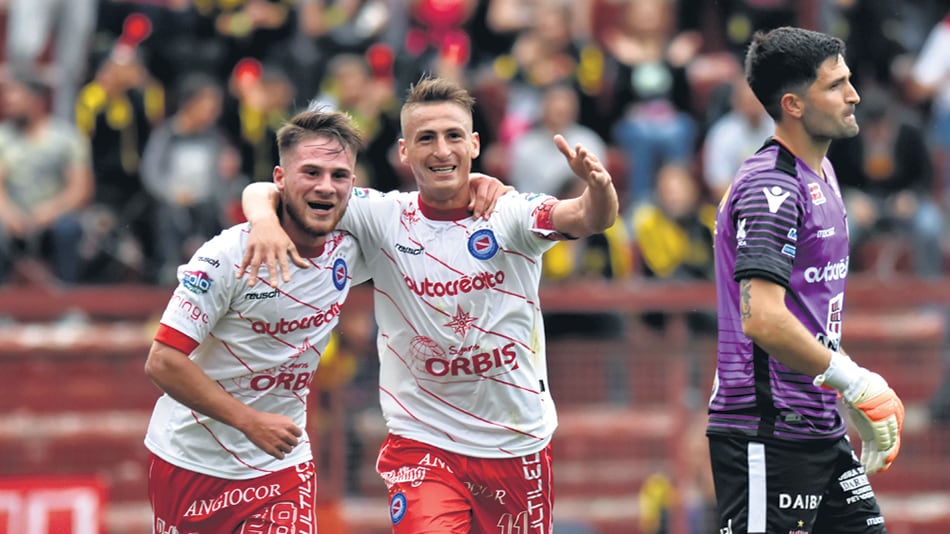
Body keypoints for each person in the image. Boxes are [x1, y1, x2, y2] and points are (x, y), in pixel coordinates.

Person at [239, 76, 619, 533]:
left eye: (453, 136)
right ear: (404, 151)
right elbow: (270, 190)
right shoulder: (380, 216)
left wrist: (598, 187)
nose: (442, 150)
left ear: (474, 144)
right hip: (423, 442)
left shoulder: (509, 212)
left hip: (515, 442)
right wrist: (262, 220)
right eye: (426, 138)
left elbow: (588, 217)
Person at [143, 107, 508, 532]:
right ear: (281, 179)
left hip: (282, 468)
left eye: (339, 176)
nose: (325, 186)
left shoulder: (354, 246)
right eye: (311, 172)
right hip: (189, 460)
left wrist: (476, 185)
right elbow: (162, 361)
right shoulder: (227, 256)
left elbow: (429, 212)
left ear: (353, 184)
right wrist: (249, 420)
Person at [708, 26, 905, 533]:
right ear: (793, 104)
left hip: (817, 426)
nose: (854, 94)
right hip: (765, 432)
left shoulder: (822, 173)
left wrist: (843, 396)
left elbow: (807, 319)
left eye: (849, 80)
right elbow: (764, 319)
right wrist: (857, 383)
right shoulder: (770, 187)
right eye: (835, 85)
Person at [0, 72, 94, 285]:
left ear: (36, 99)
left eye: (14, 94)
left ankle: (66, 297)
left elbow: (80, 189)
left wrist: (49, 212)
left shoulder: (66, 138)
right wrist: (8, 214)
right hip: (12, 218)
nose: (7, 102)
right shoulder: (3, 137)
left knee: (68, 228)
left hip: (53, 216)